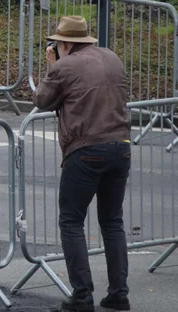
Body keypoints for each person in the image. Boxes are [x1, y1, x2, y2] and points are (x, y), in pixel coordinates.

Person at [34, 16, 131, 312]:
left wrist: (52, 65)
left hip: (86, 149)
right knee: (112, 222)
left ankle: (82, 295)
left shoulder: (64, 66)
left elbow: (42, 99)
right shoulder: (111, 57)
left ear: (64, 43)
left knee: (72, 221)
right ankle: (119, 294)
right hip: (121, 146)